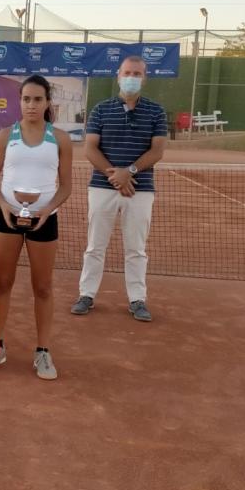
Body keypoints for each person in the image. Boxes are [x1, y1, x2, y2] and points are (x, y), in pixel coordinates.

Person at [0, 75, 72, 378]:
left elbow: (66, 186)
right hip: (6, 219)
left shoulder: (60, 138)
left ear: (47, 102)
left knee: (42, 287)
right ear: (20, 101)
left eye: (38, 99)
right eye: (26, 99)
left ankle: (43, 352)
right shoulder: (6, 136)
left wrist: (48, 210)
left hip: (45, 220)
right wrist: (4, 205)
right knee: (2, 282)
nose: (31, 105)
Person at [71, 55, 167, 322]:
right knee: (95, 246)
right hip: (103, 188)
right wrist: (114, 175)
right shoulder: (101, 109)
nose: (132, 78)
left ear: (144, 78)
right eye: (127, 73)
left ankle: (137, 300)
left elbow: (157, 150)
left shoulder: (156, 111)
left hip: (141, 189)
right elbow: (90, 148)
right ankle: (86, 295)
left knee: (136, 248)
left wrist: (130, 172)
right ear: (118, 75)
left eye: (137, 74)